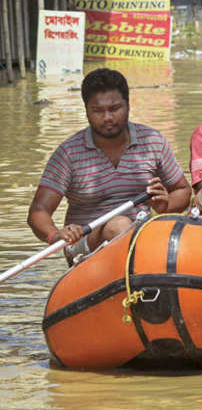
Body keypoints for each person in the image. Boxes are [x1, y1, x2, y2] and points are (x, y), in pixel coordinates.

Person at [27, 69, 191, 264]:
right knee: (119, 225)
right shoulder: (68, 154)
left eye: (114, 108)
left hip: (142, 239)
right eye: (98, 111)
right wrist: (55, 236)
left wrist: (166, 205)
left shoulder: (153, 141)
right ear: (86, 110)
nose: (107, 118)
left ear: (128, 105)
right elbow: (38, 211)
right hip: (85, 245)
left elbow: (183, 190)